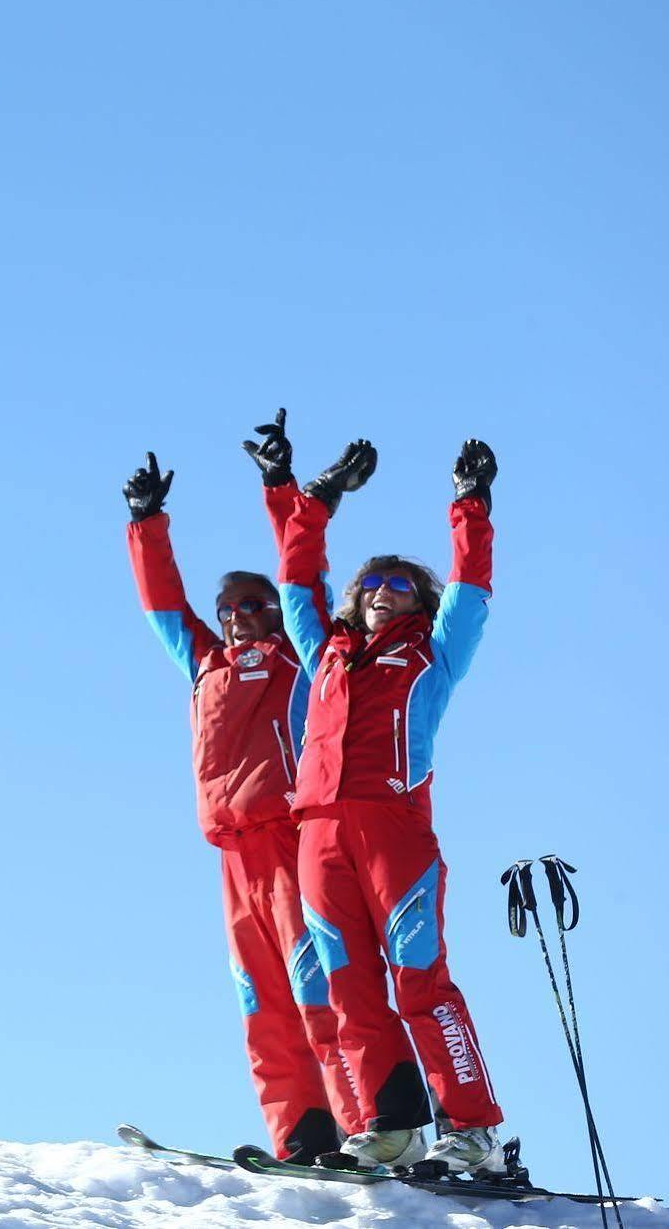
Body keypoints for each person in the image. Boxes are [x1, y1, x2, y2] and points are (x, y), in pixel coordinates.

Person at [123, 417, 361, 1164]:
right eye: (226, 610)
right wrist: (144, 522)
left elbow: (302, 575)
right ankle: (300, 1137)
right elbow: (163, 603)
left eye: (250, 606)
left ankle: (364, 1128)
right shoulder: (203, 663)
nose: (237, 619)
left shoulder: (299, 654)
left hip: (295, 845)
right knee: (259, 1003)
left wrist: (278, 486)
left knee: (318, 991)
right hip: (232, 859)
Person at [272, 431, 507, 1174]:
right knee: (349, 990)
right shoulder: (325, 652)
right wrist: (318, 496)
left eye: (398, 585)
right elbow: (294, 579)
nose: (381, 592)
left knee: (418, 982)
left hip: (393, 834)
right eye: (371, 583)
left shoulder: (433, 653)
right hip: (316, 834)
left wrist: (469, 504)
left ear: (419, 602)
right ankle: (391, 1124)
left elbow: (470, 589)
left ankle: (471, 1129)